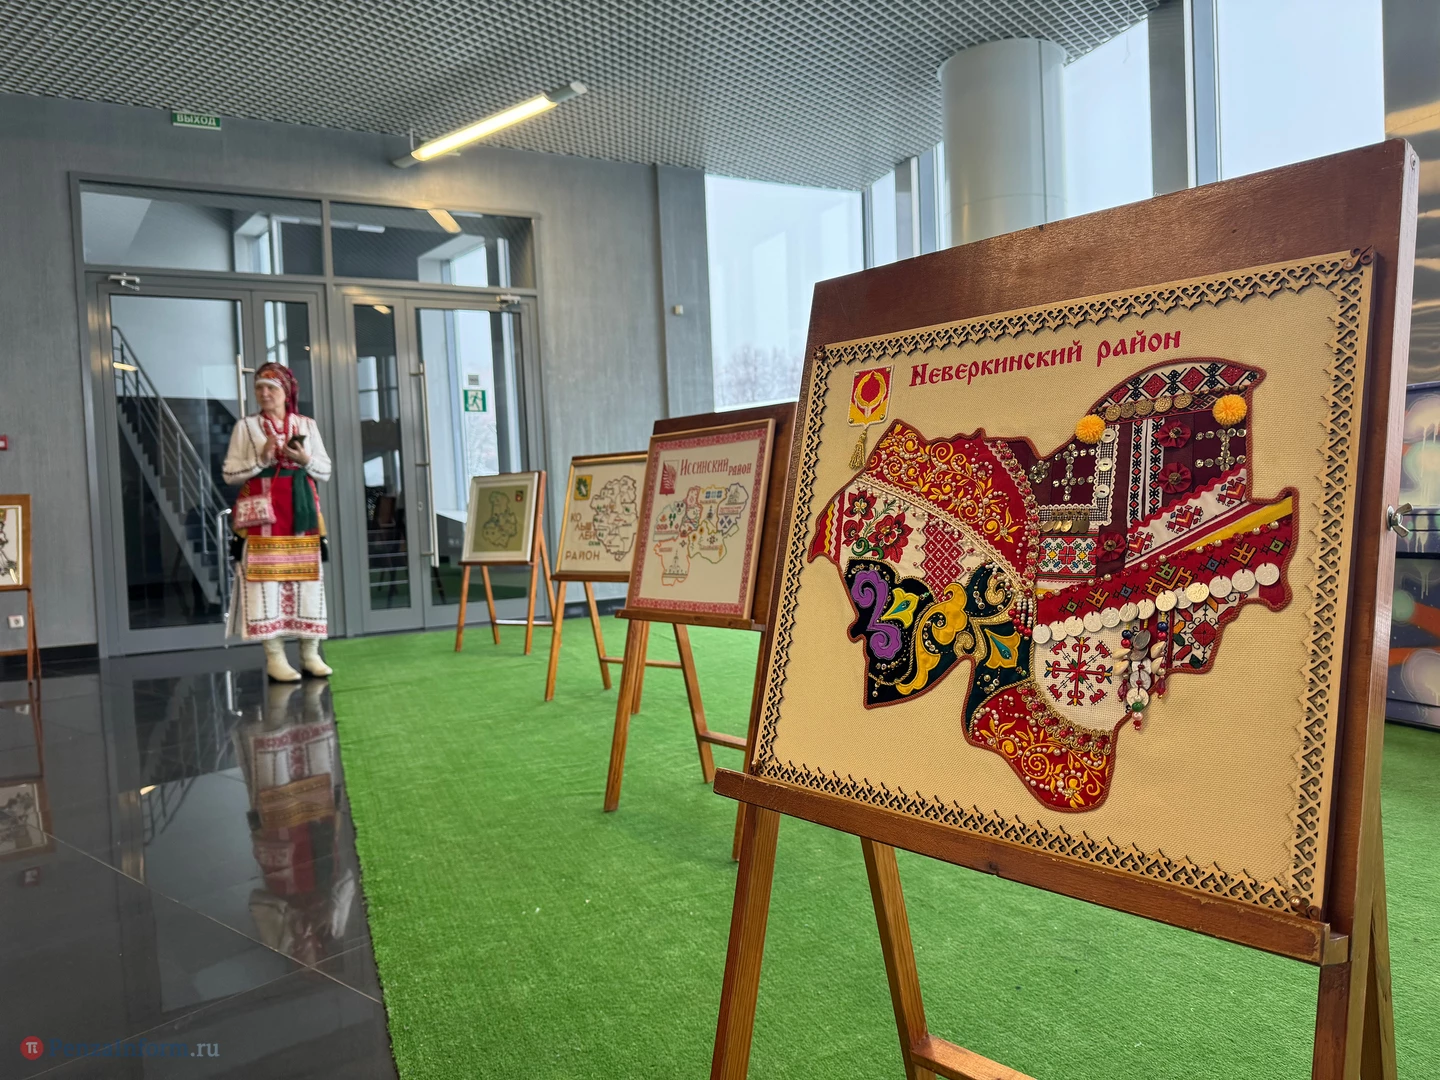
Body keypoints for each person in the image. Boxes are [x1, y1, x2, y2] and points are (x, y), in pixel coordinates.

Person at [222, 363, 333, 681]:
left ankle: (310, 654)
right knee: (264, 582)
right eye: (259, 387)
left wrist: (305, 459)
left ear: (286, 393)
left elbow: (325, 470)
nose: (264, 393)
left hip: (301, 513)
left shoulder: (306, 425)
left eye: (271, 387)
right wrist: (261, 458)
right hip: (262, 517)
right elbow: (230, 473)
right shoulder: (246, 427)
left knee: (307, 580)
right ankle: (275, 658)